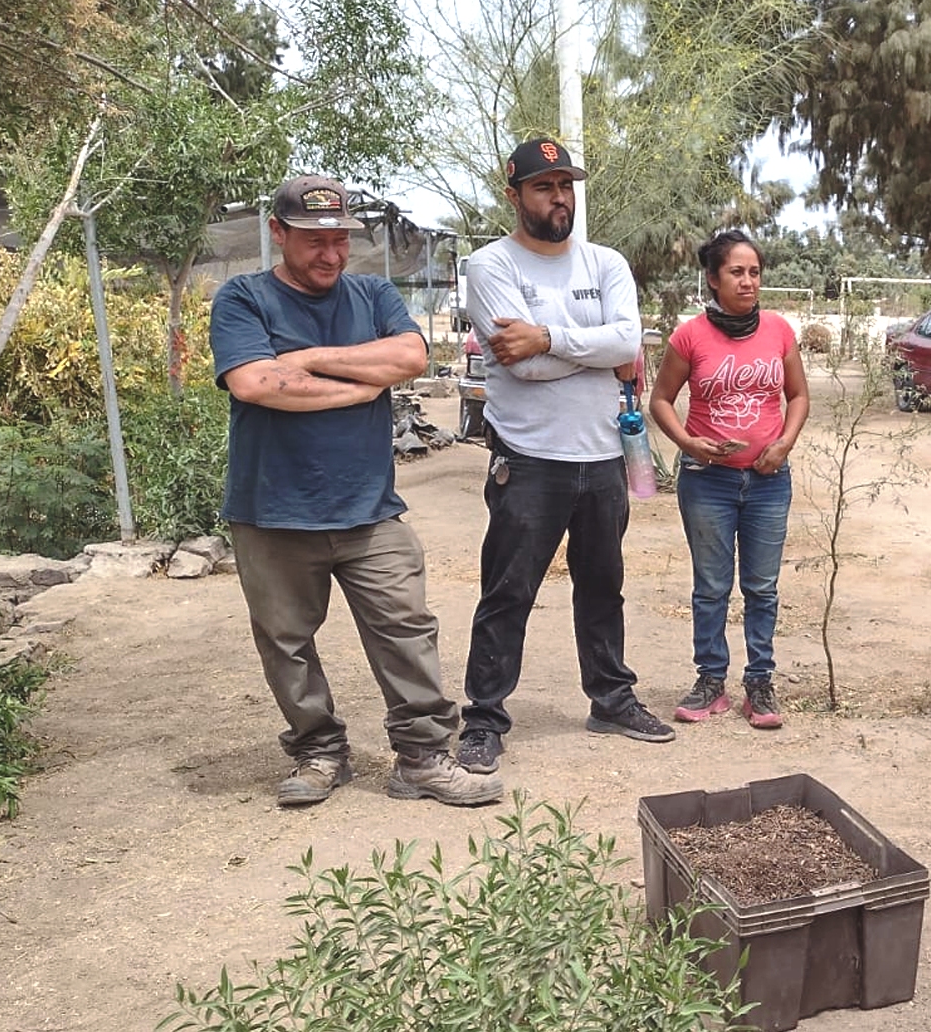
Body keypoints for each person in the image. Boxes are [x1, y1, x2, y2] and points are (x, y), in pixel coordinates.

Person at [211, 175, 503, 809]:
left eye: (341, 238)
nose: (332, 254)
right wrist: (356, 386)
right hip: (272, 511)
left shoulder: (372, 293)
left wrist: (311, 358)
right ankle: (319, 752)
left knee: (406, 628)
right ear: (279, 233)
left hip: (369, 509)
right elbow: (256, 383)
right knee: (286, 641)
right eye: (315, 240)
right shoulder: (243, 298)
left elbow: (408, 358)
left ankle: (422, 758)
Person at [455, 136, 673, 775]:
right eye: (545, 186)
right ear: (515, 194)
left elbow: (627, 344)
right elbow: (517, 370)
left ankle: (611, 699)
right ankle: (484, 720)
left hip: (604, 454)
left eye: (566, 185)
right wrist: (591, 351)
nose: (559, 197)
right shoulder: (491, 267)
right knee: (509, 590)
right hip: (528, 458)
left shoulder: (605, 263)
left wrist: (548, 338)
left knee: (604, 586)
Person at [648, 231, 810, 729]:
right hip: (707, 480)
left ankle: (759, 683)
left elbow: (799, 397)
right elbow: (659, 400)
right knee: (712, 586)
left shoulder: (779, 331)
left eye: (754, 272)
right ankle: (711, 681)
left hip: (767, 480)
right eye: (736, 272)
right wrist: (687, 443)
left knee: (762, 587)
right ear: (713, 279)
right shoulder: (689, 336)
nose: (747, 281)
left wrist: (783, 445)